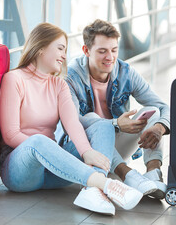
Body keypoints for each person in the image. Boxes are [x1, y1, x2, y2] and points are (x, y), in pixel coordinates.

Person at [0, 22, 143, 216]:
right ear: (41, 47)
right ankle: (105, 184)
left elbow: (73, 124)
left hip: (53, 171)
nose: (64, 56)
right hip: (21, 171)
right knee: (38, 141)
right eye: (60, 48)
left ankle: (94, 191)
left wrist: (86, 152)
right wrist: (47, 151)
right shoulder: (14, 79)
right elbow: (10, 135)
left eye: (65, 50)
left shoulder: (59, 84)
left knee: (103, 125)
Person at [64, 19, 170, 200]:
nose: (110, 57)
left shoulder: (125, 72)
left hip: (116, 146)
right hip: (85, 150)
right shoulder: (71, 77)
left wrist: (160, 128)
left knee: (154, 111)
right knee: (92, 119)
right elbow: (72, 123)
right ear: (86, 50)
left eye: (114, 50)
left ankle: (153, 174)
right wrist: (115, 124)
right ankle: (128, 176)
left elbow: (163, 106)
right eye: (102, 51)